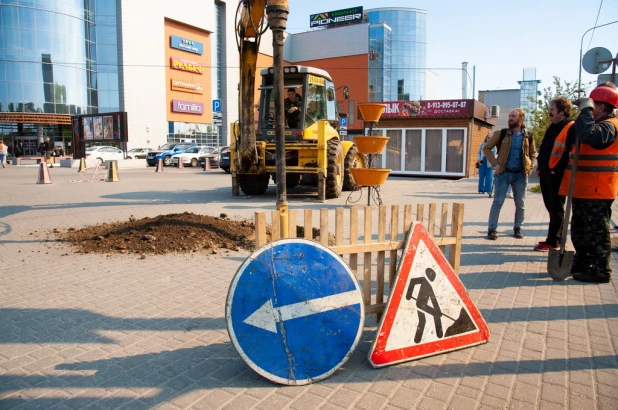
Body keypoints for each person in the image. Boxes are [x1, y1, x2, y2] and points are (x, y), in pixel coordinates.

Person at [562, 83, 618, 283]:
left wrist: (586, 110)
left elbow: (591, 135)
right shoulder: (597, 124)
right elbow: (581, 130)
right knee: (580, 229)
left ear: (601, 107)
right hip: (585, 188)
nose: (585, 112)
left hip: (598, 189)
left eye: (591, 107)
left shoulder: (610, 125)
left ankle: (601, 270)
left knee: (596, 232)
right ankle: (583, 262)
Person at [483, 108, 537, 240]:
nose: (510, 118)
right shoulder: (501, 134)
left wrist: (530, 167)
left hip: (520, 175)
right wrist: (495, 164)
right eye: (510, 116)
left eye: (513, 116)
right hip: (503, 174)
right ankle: (492, 229)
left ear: (521, 119)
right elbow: (487, 148)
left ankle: (518, 228)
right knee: (498, 202)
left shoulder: (528, 136)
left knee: (520, 203)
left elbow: (533, 154)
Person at [534, 97, 576, 251]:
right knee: (551, 207)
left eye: (552, 109)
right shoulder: (552, 127)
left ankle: (553, 241)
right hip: (546, 174)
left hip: (557, 175)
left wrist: (555, 170)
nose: (549, 113)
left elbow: (569, 152)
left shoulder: (571, 127)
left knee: (556, 208)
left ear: (562, 111)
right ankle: (553, 238)